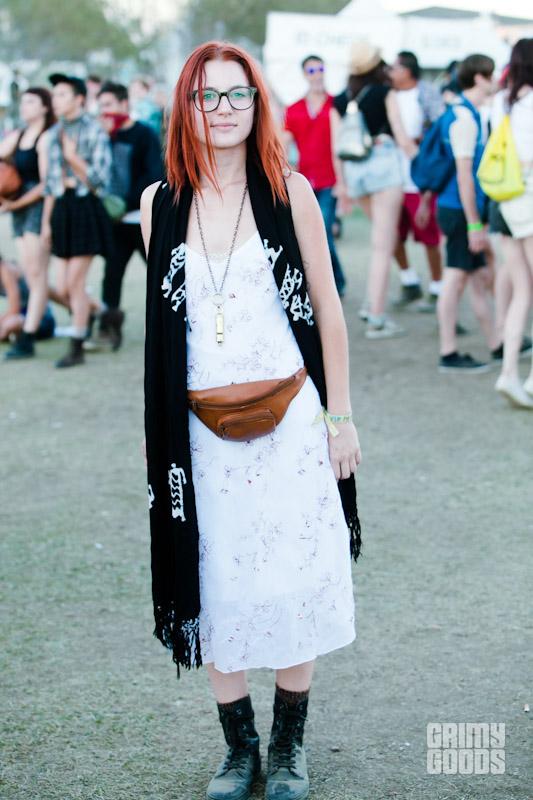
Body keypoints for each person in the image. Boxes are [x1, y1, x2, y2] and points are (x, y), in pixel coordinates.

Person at [141, 41, 363, 800]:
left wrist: (340, 417)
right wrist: (160, 441)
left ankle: (288, 747)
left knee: (293, 573)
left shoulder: (288, 192)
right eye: (207, 96)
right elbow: (165, 333)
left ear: (258, 104)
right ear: (186, 108)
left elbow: (327, 311)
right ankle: (238, 751)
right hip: (198, 435)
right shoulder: (159, 205)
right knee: (216, 582)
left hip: (292, 422)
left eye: (238, 95)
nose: (224, 110)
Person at [331, 41, 417, 338]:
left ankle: (372, 305)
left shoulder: (339, 100)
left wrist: (342, 185)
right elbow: (402, 137)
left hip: (356, 173)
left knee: (380, 242)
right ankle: (376, 318)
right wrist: (424, 164)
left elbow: (336, 147)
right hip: (383, 166)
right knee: (383, 245)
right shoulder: (385, 93)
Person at [41, 73, 112, 368]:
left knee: (74, 283)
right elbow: (50, 184)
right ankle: (104, 312)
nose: (55, 100)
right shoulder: (53, 133)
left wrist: (73, 158)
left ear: (79, 99)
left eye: (62, 94)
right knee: (61, 286)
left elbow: (101, 181)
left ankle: (77, 345)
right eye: (54, 94)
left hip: (85, 207)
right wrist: (46, 223)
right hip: (62, 209)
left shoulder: (93, 130)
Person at [436, 54, 500, 373]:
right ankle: (448, 351)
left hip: (456, 207)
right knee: (455, 278)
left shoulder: (461, 111)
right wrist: (475, 223)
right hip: (460, 210)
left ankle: (498, 343)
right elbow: (464, 176)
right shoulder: (464, 118)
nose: (496, 80)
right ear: (479, 78)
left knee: (475, 277)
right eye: (491, 74)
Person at [97, 81, 164, 349]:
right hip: (116, 223)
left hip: (141, 219)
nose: (104, 111)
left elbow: (153, 175)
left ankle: (169, 325)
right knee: (111, 275)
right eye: (100, 106)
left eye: (109, 105)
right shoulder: (103, 137)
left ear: (124, 104)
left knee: (160, 273)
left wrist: (125, 203)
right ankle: (108, 327)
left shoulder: (144, 134)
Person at [490, 39, 533, 407]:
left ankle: (508, 373)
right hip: (530, 198)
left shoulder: (500, 102)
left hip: (505, 201)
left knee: (523, 290)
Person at [283, 55, 347, 296]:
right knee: (309, 234)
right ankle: (334, 280)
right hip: (305, 181)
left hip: (330, 180)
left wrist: (343, 183)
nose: (317, 74)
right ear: (305, 74)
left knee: (324, 233)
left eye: (320, 68)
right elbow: (282, 143)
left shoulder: (336, 105)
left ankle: (335, 283)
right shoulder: (294, 109)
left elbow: (342, 146)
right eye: (311, 70)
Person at [0, 87, 55, 359]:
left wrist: (16, 204)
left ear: (45, 107)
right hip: (20, 208)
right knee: (32, 274)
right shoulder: (18, 136)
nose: (24, 106)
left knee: (36, 273)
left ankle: (28, 336)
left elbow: (47, 184)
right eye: (23, 102)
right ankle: (91, 310)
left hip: (38, 207)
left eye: (31, 102)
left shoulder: (46, 137)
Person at [389, 51, 444, 309]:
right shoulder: (388, 95)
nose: (391, 72)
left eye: (395, 68)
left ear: (407, 70)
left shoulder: (427, 93)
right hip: (391, 177)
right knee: (392, 234)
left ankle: (437, 286)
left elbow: (437, 129)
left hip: (418, 178)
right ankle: (409, 280)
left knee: (428, 234)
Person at [0, 257, 55, 342]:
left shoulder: (4, 270)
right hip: (23, 317)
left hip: (41, 321)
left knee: (10, 323)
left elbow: (15, 310)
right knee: (8, 323)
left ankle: (15, 335)